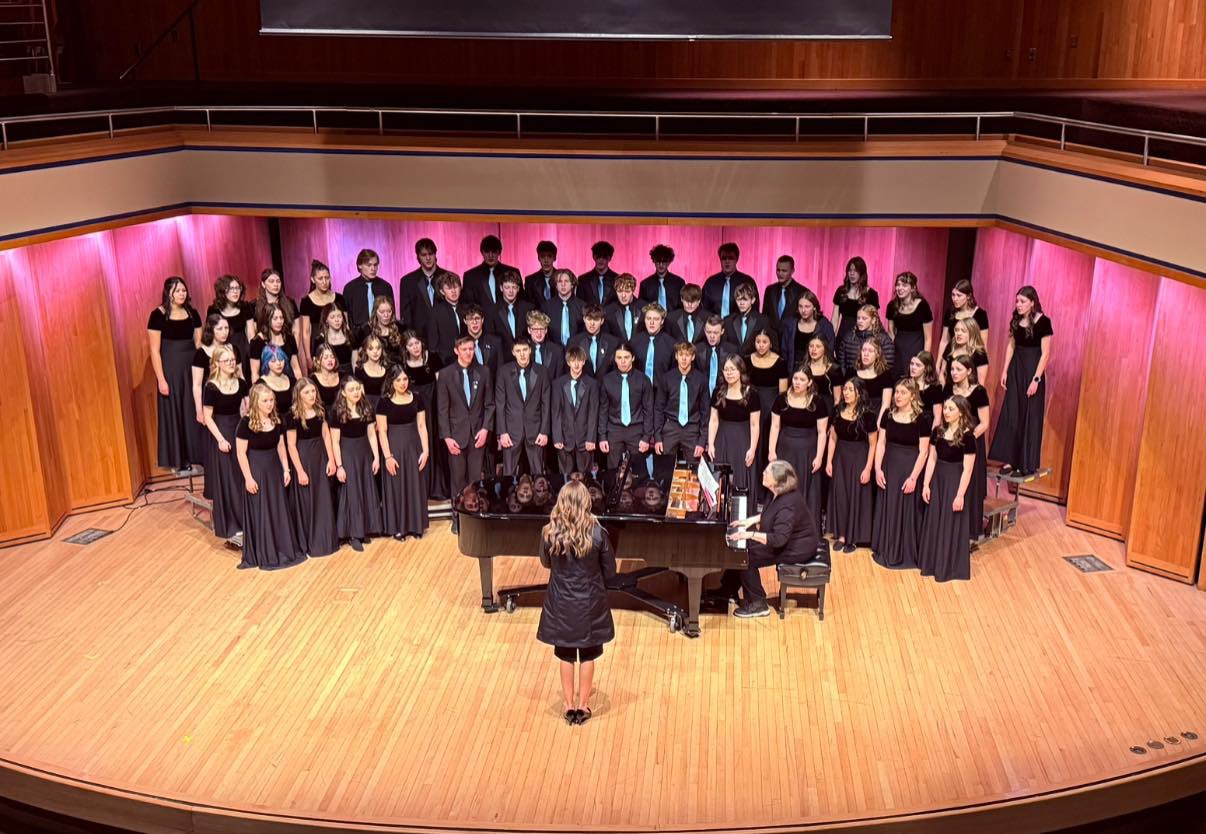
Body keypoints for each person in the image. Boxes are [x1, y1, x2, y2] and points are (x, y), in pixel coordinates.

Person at [536, 480, 617, 725]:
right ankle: (583, 705)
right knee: (589, 653)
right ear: (586, 502)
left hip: (561, 603)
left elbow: (545, 563)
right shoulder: (598, 533)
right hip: (590, 603)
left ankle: (568, 704)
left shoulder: (549, 532)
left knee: (566, 654)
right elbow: (610, 570)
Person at [720, 460, 822, 618]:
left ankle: (758, 603)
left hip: (797, 547)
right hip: (787, 539)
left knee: (746, 556)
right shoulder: (776, 493)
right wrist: (750, 521)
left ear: (778, 481)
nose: (763, 473)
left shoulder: (788, 504)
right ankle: (728, 589)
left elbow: (778, 540)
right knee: (741, 546)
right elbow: (771, 515)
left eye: (768, 472)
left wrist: (750, 534)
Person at [236, 383, 306, 571]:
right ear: (256, 402)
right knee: (262, 510)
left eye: (271, 400)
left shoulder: (277, 420)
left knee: (277, 509)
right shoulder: (246, 423)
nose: (269, 404)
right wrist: (248, 478)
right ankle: (265, 552)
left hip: (274, 470)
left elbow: (281, 447)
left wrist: (286, 469)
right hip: (257, 472)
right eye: (265, 401)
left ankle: (281, 547)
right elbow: (241, 453)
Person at [990, 286, 1053, 476]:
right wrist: (1005, 370)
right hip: (1016, 370)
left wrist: (1036, 379)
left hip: (1032, 371)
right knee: (1013, 412)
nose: (1018, 305)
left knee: (1028, 415)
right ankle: (1011, 460)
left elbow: (1046, 353)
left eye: (1022, 301)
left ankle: (1024, 464)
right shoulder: (1017, 320)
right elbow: (1011, 346)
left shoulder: (1043, 322)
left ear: (1032, 302)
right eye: (1017, 301)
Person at [871, 380, 932, 569]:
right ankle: (886, 548)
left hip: (909, 469)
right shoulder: (888, 415)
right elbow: (881, 443)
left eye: (903, 392)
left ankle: (904, 552)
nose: (897, 396)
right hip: (890, 466)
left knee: (906, 510)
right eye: (896, 392)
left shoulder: (922, 419)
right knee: (889, 507)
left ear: (912, 396)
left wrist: (914, 477)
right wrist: (877, 468)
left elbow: (924, 451)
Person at [918, 396, 977, 582]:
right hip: (938, 480)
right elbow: (932, 459)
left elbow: (968, 469)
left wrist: (960, 495)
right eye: (945, 408)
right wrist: (926, 484)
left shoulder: (968, 437)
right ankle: (931, 563)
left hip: (954, 482)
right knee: (935, 521)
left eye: (951, 409)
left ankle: (948, 567)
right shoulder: (938, 431)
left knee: (949, 523)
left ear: (961, 411)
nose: (946, 411)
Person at [148, 276, 203, 473]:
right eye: (178, 290)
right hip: (170, 368)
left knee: (192, 409)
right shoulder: (157, 315)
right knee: (176, 411)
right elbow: (154, 350)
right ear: (168, 292)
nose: (182, 293)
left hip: (191, 366)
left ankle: (199, 456)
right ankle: (181, 460)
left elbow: (199, 344)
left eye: (183, 290)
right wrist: (161, 379)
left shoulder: (193, 313)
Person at [437, 336, 495, 509]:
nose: (469, 353)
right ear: (456, 351)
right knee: (457, 479)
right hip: (456, 436)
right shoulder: (446, 374)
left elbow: (490, 405)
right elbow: (442, 409)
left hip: (477, 435)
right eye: (465, 349)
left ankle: (475, 515)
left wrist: (485, 429)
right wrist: (447, 437)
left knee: (475, 479)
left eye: (471, 349)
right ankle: (457, 517)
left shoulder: (484, 372)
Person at [769, 366, 830, 524]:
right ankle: (781, 524)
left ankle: (803, 528)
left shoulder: (818, 402)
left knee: (805, 490)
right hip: (785, 449)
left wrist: (819, 457)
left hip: (807, 452)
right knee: (783, 486)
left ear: (809, 382)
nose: (797, 382)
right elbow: (775, 426)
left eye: (802, 380)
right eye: (795, 378)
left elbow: (822, 432)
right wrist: (771, 451)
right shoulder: (781, 399)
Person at [201, 345, 249, 545]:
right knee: (227, 479)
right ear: (218, 364)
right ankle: (232, 525)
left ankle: (246, 522)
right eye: (226, 360)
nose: (231, 363)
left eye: (232, 360)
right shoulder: (211, 387)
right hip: (221, 432)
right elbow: (207, 417)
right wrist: (220, 439)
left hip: (238, 429)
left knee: (240, 477)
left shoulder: (241, 382)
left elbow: (246, 408)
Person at [286, 378, 339, 558]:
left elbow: (326, 435)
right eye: (307, 392)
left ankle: (325, 541)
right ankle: (307, 542)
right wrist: (300, 471)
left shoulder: (321, 411)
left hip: (320, 458)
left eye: (313, 391)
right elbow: (291, 446)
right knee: (307, 501)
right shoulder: (292, 416)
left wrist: (331, 460)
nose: (311, 395)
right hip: (304, 459)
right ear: (299, 394)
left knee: (323, 498)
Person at [376, 365, 430, 541]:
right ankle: (399, 527)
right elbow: (382, 431)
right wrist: (388, 456)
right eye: (398, 380)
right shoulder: (383, 402)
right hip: (394, 449)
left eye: (405, 379)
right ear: (391, 381)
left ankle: (416, 525)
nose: (402, 383)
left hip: (413, 447)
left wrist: (426, 450)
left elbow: (422, 426)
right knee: (396, 487)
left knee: (415, 485)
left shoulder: (417, 398)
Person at [825, 378, 879, 553]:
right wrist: (829, 461)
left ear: (859, 393)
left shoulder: (868, 415)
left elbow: (873, 444)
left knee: (856, 496)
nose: (846, 392)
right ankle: (841, 535)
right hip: (840, 458)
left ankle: (853, 538)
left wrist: (868, 468)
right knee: (840, 495)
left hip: (859, 458)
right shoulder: (837, 410)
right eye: (845, 389)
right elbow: (833, 438)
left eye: (850, 390)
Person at [331, 376, 382, 551]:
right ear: (344, 393)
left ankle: (365, 528)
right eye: (351, 390)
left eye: (357, 389)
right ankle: (353, 533)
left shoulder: (366, 407)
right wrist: (339, 466)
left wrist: (376, 457)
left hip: (364, 453)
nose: (355, 392)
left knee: (366, 488)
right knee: (352, 493)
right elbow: (335, 442)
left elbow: (371, 434)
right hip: (348, 453)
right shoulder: (337, 412)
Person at [943, 355, 990, 541]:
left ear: (969, 371)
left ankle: (969, 532)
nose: (954, 373)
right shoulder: (948, 388)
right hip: (950, 441)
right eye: (952, 369)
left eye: (958, 369)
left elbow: (984, 422)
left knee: (971, 485)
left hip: (970, 441)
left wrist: (965, 438)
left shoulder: (978, 391)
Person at [191, 314, 241, 484]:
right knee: (216, 450)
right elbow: (197, 384)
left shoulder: (233, 350)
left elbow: (239, 376)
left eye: (226, 328)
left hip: (231, 402)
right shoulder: (201, 353)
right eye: (220, 328)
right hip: (211, 405)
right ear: (211, 330)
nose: (224, 332)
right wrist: (199, 411)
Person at [652, 342, 710, 483]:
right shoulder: (666, 378)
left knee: (695, 472)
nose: (684, 358)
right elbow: (658, 408)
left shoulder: (701, 379)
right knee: (663, 470)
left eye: (688, 355)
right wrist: (658, 437)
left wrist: (702, 441)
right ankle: (664, 500)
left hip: (692, 428)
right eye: (681, 355)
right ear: (676, 356)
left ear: (693, 357)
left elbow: (705, 411)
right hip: (670, 427)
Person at [495, 338, 552, 476]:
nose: (522, 354)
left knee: (538, 473)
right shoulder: (504, 372)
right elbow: (500, 404)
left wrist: (544, 431)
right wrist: (502, 432)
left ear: (530, 350)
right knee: (508, 474)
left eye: (525, 350)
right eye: (518, 351)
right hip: (511, 432)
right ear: (513, 352)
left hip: (536, 431)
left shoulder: (542, 371)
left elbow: (546, 404)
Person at [402, 330, 447, 501]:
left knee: (434, 444)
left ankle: (436, 487)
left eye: (417, 343)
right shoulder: (403, 365)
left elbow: (441, 386)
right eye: (411, 344)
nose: (415, 347)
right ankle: (420, 488)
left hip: (433, 408)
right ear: (406, 347)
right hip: (414, 411)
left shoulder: (433, 359)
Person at [707, 355, 760, 494]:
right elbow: (713, 420)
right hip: (722, 439)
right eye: (726, 370)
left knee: (740, 476)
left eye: (732, 369)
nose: (729, 373)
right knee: (721, 477)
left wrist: (752, 448)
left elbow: (755, 424)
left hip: (743, 440)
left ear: (740, 370)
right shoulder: (718, 392)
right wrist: (711, 443)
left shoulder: (752, 394)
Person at [598, 343, 654, 472]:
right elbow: (603, 411)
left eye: (626, 357)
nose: (623, 361)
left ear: (633, 358)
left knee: (639, 472)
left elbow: (648, 410)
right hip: (614, 431)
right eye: (619, 357)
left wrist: (646, 437)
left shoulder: (643, 380)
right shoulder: (607, 380)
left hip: (636, 431)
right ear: (615, 359)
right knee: (613, 472)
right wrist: (602, 437)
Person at [746, 328, 787, 498]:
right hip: (752, 406)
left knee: (768, 447)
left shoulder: (780, 363)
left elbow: (783, 392)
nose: (761, 345)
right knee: (754, 444)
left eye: (764, 342)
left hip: (772, 408)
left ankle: (767, 489)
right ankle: (754, 487)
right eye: (758, 342)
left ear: (771, 343)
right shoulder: (747, 360)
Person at [552, 346, 599, 475]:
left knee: (586, 477)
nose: (576, 364)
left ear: (584, 361)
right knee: (565, 477)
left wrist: (591, 438)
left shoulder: (592, 384)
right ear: (568, 362)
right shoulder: (558, 384)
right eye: (573, 361)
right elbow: (556, 412)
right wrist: (557, 437)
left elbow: (593, 413)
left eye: (579, 360)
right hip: (564, 439)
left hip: (585, 440)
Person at [885, 271, 933, 380]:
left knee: (913, 379)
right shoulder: (892, 306)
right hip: (898, 349)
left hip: (917, 346)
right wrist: (894, 350)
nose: (900, 288)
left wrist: (924, 360)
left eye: (904, 285)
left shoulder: (922, 306)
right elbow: (891, 332)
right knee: (896, 379)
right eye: (898, 285)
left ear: (913, 288)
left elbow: (928, 337)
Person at [298, 259, 345, 370]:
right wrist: (308, 357)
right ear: (313, 280)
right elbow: (306, 331)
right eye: (320, 278)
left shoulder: (339, 298)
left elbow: (346, 325)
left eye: (327, 278)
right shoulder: (307, 301)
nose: (324, 281)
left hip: (339, 342)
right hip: (318, 344)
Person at [207, 273, 254, 379]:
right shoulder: (213, 309)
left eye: (238, 288)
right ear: (223, 290)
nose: (235, 291)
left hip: (242, 348)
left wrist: (252, 353)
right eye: (231, 288)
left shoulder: (245, 307)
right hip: (222, 348)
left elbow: (251, 333)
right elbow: (210, 334)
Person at [935, 278, 990, 365]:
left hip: (970, 360)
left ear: (968, 296)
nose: (955, 299)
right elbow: (944, 340)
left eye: (959, 295)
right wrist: (938, 362)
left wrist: (982, 365)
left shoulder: (980, 315)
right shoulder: (950, 313)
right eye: (953, 295)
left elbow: (982, 345)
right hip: (952, 356)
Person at [780, 289, 836, 372]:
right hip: (794, 370)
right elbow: (784, 352)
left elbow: (829, 352)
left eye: (807, 306)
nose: (803, 310)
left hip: (816, 370)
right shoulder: (790, 325)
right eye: (800, 306)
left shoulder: (825, 326)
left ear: (814, 307)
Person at [831, 256, 880, 348]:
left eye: (855, 271)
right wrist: (831, 339)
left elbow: (875, 321)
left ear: (862, 273)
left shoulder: (872, 294)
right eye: (850, 270)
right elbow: (834, 319)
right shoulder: (841, 291)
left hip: (862, 338)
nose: (852, 274)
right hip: (843, 336)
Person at [249, 302, 302, 381]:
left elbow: (296, 368)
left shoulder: (289, 338)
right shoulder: (257, 342)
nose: (279, 321)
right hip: (267, 386)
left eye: (281, 318)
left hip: (287, 382)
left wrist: (300, 387)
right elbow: (255, 373)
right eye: (275, 318)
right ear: (267, 319)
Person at [463, 234, 516, 313]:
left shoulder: (512, 272)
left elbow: (520, 301)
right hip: (481, 322)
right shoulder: (470, 276)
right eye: (487, 251)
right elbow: (468, 304)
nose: (490, 255)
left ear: (499, 252)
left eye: (494, 251)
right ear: (482, 252)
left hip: (508, 320)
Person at [837, 304, 895, 377]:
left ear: (873, 320)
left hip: (875, 382)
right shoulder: (849, 337)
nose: (860, 321)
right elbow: (842, 363)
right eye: (858, 318)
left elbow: (888, 365)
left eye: (864, 318)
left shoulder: (883, 340)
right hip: (852, 381)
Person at [702, 242, 758, 317]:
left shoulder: (747, 281)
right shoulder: (710, 282)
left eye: (731, 258)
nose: (727, 261)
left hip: (740, 326)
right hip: (714, 326)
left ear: (736, 259)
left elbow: (755, 310)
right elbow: (703, 309)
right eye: (724, 258)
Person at [345, 248, 394, 331]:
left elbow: (392, 314)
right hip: (359, 335)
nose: (373, 269)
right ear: (359, 265)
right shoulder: (350, 288)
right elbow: (348, 317)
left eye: (375, 265)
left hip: (383, 332)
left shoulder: (386, 287)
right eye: (369, 265)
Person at [399, 238, 441, 335]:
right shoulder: (407, 282)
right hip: (419, 337)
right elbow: (406, 315)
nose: (428, 258)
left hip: (445, 335)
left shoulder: (447, 277)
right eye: (424, 255)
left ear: (435, 255)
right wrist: (411, 338)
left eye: (431, 254)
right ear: (418, 257)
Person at [252, 267, 301, 347]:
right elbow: (254, 330)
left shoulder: (289, 303)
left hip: (287, 346)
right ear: (263, 284)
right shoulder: (255, 305)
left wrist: (295, 349)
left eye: (278, 281)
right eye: (271, 281)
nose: (275, 284)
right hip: (265, 348)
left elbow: (296, 330)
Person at [426, 271, 467, 366]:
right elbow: (433, 345)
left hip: (468, 359)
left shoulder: (467, 309)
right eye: (449, 288)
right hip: (446, 363)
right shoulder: (435, 313)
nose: (453, 291)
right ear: (442, 291)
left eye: (456, 287)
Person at [354, 295, 404, 368]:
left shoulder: (399, 327)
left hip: (396, 371)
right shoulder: (366, 329)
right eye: (382, 312)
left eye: (389, 311)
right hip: (374, 370)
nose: (386, 315)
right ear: (375, 312)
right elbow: (355, 351)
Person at [567, 304, 617, 378]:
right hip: (583, 387)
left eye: (596, 319)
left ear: (602, 321)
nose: (592, 323)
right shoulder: (574, 342)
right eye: (589, 319)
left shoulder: (613, 342)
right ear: (584, 319)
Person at [850, 338, 894, 420]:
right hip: (854, 416)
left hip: (875, 416)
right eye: (863, 350)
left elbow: (886, 404)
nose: (866, 354)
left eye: (870, 351)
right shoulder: (851, 372)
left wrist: (878, 423)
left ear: (877, 354)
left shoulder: (885, 375)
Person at [762, 254, 806, 336]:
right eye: (778, 270)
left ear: (792, 271)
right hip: (771, 340)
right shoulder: (770, 290)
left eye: (784, 271)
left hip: (792, 339)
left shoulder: (802, 292)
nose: (780, 273)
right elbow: (765, 316)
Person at [632, 302, 676, 382]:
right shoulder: (634, 342)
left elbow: (673, 373)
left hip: (662, 390)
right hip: (639, 390)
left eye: (656, 319)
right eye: (648, 318)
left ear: (662, 321)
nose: (651, 322)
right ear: (644, 320)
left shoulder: (671, 344)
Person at [695, 315, 738, 396]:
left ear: (722, 331)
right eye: (709, 332)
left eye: (715, 332)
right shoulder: (697, 350)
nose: (712, 336)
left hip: (725, 394)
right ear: (704, 331)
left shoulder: (731, 350)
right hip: (701, 395)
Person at [492, 269, 533, 355]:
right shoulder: (493, 310)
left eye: (514, 287)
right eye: (507, 287)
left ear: (518, 289)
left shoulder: (528, 308)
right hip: (503, 358)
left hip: (525, 356)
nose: (511, 291)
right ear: (501, 288)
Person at [939, 318, 989, 387]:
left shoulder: (980, 354)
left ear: (972, 333)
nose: (959, 333)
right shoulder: (950, 347)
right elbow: (942, 373)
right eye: (957, 330)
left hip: (968, 394)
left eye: (963, 331)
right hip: (949, 391)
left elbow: (981, 384)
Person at [723, 284, 771, 355]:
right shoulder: (728, 320)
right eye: (738, 299)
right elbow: (725, 346)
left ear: (753, 300)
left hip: (755, 362)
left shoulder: (762, 320)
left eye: (745, 299)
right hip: (734, 362)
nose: (741, 303)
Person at [638, 244, 685, 312]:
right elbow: (642, 308)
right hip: (652, 321)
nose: (661, 265)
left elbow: (683, 306)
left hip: (674, 320)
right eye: (658, 261)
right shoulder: (645, 284)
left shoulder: (679, 283)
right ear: (654, 261)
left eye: (664, 261)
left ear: (669, 262)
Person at [463, 304, 502, 375]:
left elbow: (500, 371)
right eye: (471, 319)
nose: (474, 322)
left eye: (477, 318)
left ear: (482, 320)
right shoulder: (461, 345)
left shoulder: (495, 342)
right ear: (465, 321)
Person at [604, 273, 644, 342]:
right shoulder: (608, 311)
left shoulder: (644, 308)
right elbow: (607, 338)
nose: (623, 295)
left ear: (633, 290)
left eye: (627, 291)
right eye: (620, 291)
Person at [576, 241, 618, 306]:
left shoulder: (617, 279)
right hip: (589, 315)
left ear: (609, 258)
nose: (600, 260)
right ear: (594, 257)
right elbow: (579, 305)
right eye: (598, 256)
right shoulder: (583, 280)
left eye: (604, 257)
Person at [805, 336, 844, 406]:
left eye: (818, 346)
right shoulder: (803, 368)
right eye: (811, 346)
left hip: (827, 408)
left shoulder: (834, 370)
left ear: (825, 349)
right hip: (806, 408)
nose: (813, 349)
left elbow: (837, 399)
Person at [353, 333, 388, 409]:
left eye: (378, 348)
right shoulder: (359, 370)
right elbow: (360, 398)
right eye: (371, 348)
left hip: (386, 408)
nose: (375, 352)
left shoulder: (388, 368)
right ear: (365, 350)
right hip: (367, 408)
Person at [526, 310, 565, 378]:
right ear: (529, 330)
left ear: (546, 330)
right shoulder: (523, 350)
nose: (539, 333)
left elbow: (559, 379)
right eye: (535, 329)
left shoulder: (557, 351)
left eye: (541, 329)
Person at [258, 344, 295, 416]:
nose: (278, 363)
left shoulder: (292, 380)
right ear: (266, 363)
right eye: (273, 361)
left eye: (281, 359)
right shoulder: (261, 384)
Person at [909, 351, 944, 425]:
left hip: (925, 425)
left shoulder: (935, 388)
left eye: (918, 365)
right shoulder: (904, 383)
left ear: (926, 368)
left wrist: (932, 435)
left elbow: (937, 417)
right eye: (912, 364)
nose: (913, 367)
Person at [524, 239, 558, 305]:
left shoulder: (562, 278)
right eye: (543, 256)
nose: (546, 260)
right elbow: (528, 306)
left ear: (554, 258)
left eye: (549, 256)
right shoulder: (530, 281)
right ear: (538, 258)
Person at [310, 344, 342, 410]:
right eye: (326, 357)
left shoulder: (342, 375)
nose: (330, 360)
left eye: (332, 357)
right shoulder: (312, 379)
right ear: (318, 361)